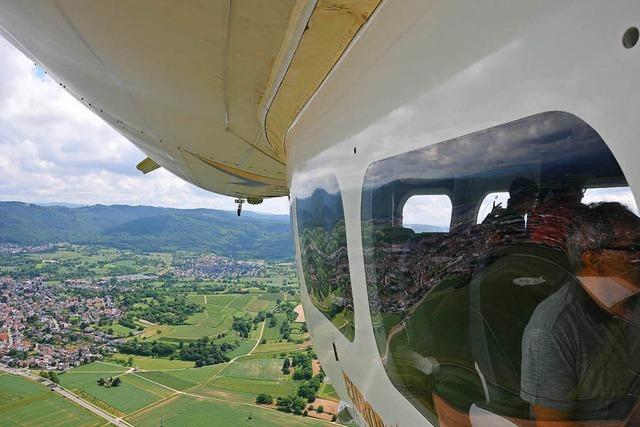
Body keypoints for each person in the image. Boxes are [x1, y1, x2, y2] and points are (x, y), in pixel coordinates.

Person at [520, 202, 640, 425]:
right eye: (634, 249)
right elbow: (552, 424)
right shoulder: (552, 329)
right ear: (594, 259)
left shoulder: (633, 301)